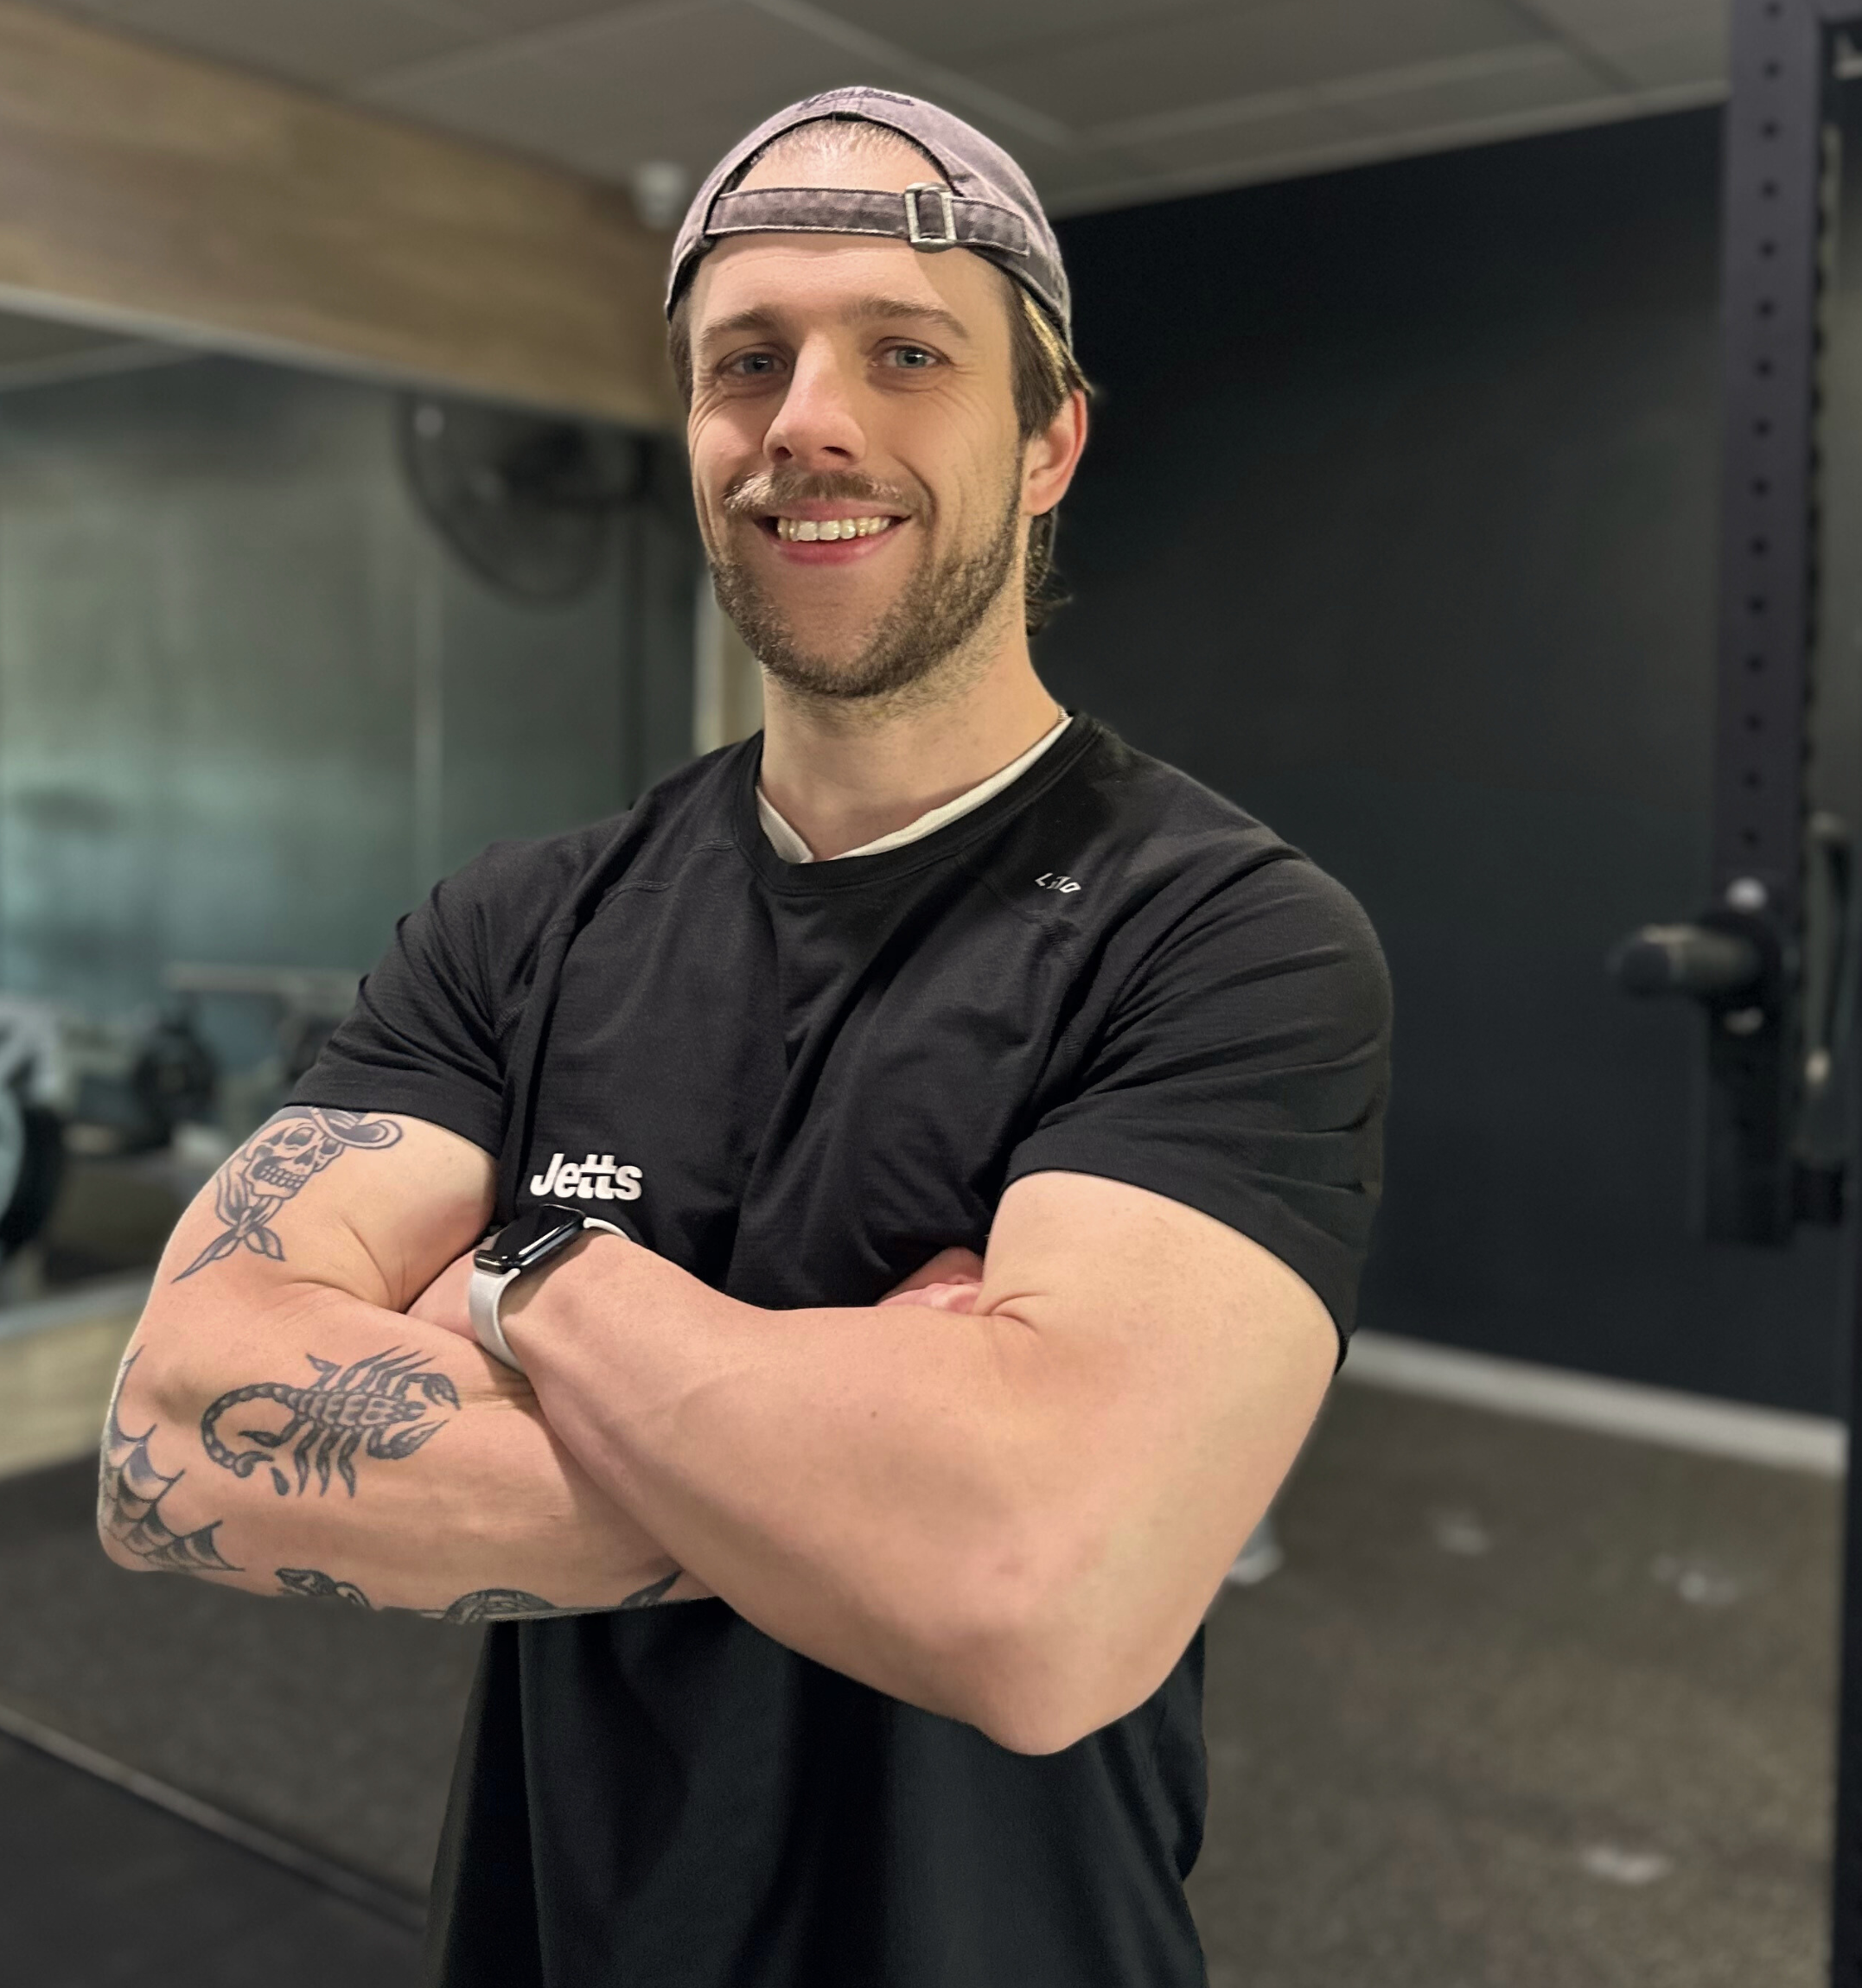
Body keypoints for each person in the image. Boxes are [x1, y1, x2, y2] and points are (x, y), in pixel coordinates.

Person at [99, 86, 1391, 1988]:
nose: (808, 420)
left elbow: (1038, 1592)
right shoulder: (518, 922)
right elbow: (165, 1438)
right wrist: (870, 1489)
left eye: (905, 351)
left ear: (1048, 441)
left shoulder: (1221, 937)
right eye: (747, 362)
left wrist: (528, 1282)